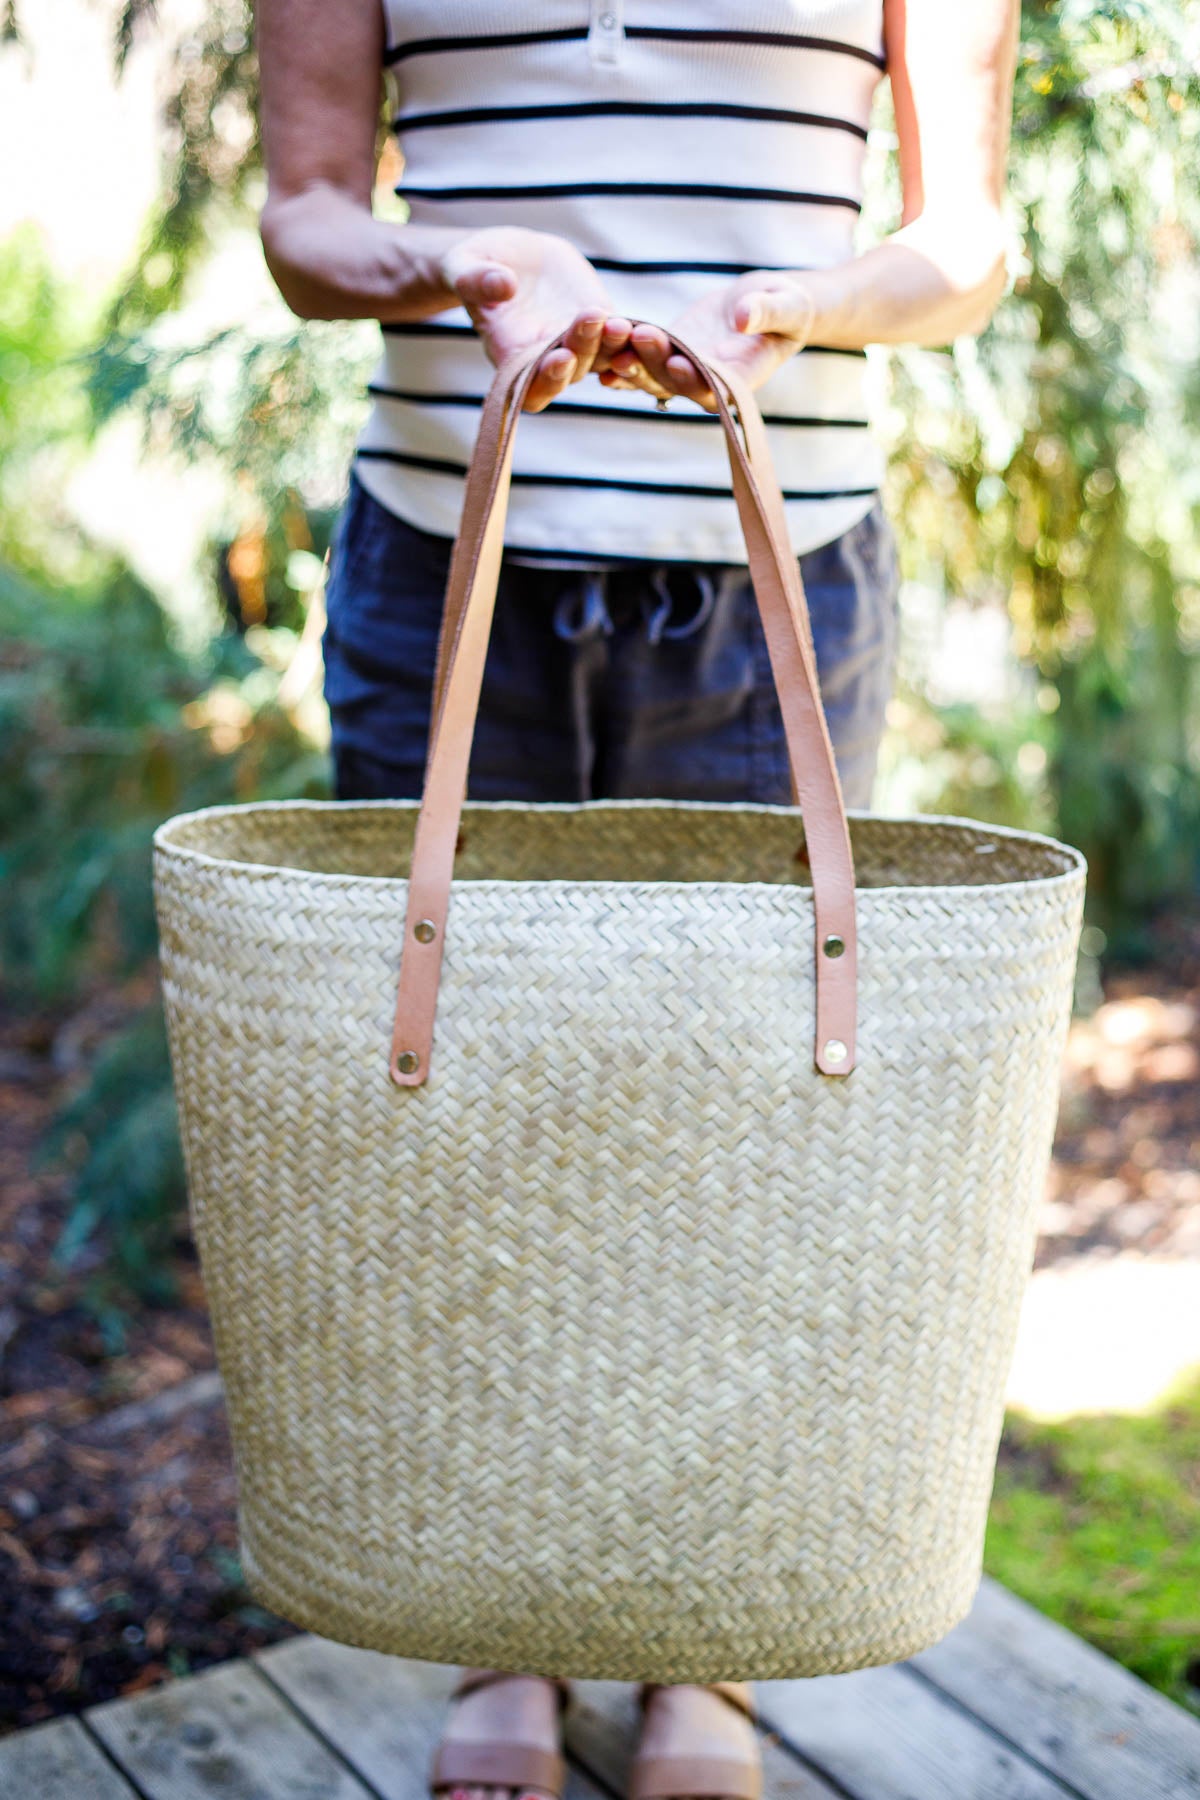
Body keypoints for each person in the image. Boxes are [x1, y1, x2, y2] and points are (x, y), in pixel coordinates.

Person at [256, 3, 1018, 1796]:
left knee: (752, 1129)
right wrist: (462, 261)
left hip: (777, 584)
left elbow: (965, 239)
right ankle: (495, 1635)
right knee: (453, 1124)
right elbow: (303, 216)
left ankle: (708, 1652)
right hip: (448, 566)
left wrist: (783, 309)